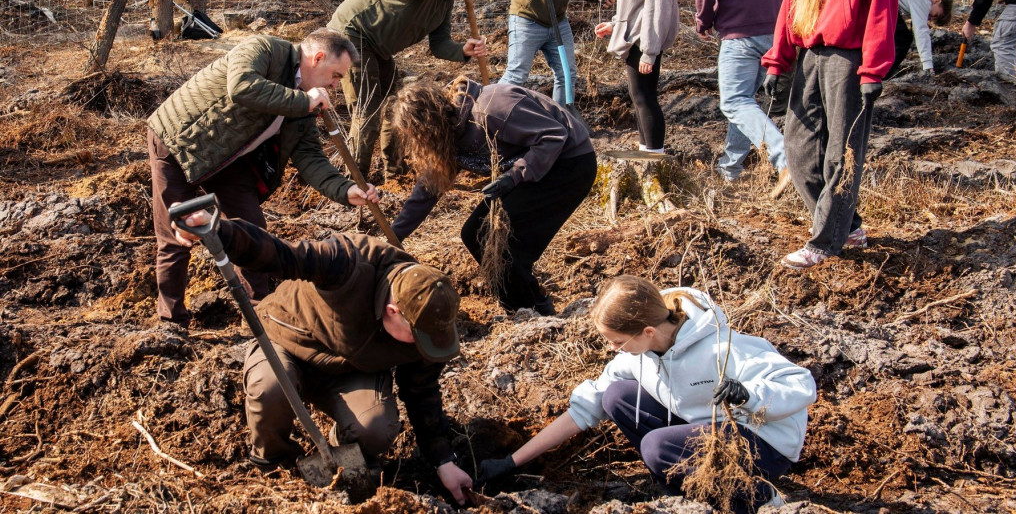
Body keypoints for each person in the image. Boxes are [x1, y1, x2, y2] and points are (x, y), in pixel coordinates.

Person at [171, 210, 474, 505]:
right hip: (287, 344)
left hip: (349, 369)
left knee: (376, 428)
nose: (422, 345)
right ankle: (275, 462)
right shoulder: (350, 261)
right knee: (270, 389)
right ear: (393, 311)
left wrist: (443, 461)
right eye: (416, 336)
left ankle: (345, 446)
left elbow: (422, 392)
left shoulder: (432, 322)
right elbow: (282, 254)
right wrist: (221, 232)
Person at [473, 276, 817, 514]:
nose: (613, 349)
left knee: (657, 448)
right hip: (705, 429)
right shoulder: (640, 354)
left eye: (617, 342)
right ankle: (682, 485)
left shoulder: (721, 347)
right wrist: (512, 462)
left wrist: (749, 395)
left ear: (648, 331)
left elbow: (802, 384)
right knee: (616, 395)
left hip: (764, 443)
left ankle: (756, 498)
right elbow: (585, 408)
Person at [147, 29, 380, 325]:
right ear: (318, 58)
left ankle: (260, 313)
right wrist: (303, 101)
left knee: (252, 231)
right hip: (179, 141)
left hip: (229, 157)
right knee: (176, 234)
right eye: (335, 75)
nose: (335, 85)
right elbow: (242, 86)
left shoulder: (305, 101)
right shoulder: (265, 50)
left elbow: (310, 157)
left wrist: (345, 190)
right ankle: (172, 322)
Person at [761, 0, 897, 270]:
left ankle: (824, 242)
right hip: (810, 54)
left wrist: (873, 69)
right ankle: (847, 224)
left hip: (849, 58)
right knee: (799, 148)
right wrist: (778, 59)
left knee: (842, 152)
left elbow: (882, 6)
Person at [390, 77, 596, 315]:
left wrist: (513, 177)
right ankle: (523, 307)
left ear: (429, 122)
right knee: (475, 234)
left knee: (505, 243)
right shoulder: (448, 135)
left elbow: (553, 136)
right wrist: (394, 235)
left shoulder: (493, 108)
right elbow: (428, 189)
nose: (418, 143)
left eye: (418, 134)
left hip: (568, 164)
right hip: (532, 170)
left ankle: (532, 310)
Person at [327, 0, 489, 178]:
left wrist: (463, 50)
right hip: (353, 36)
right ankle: (354, 183)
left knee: (395, 107)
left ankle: (394, 175)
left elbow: (439, 44)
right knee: (367, 111)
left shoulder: (445, 1)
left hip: (379, 49)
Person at [694, 0, 794, 194]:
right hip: (778, 31)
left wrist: (704, 19)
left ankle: (785, 156)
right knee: (746, 101)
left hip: (740, 31)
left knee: (735, 102)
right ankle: (730, 169)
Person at [593, 0, 686, 155]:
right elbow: (635, 1)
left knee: (645, 98)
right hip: (636, 35)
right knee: (639, 96)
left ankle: (653, 156)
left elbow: (658, 5)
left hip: (644, 39)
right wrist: (615, 25)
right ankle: (646, 152)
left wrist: (649, 51)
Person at [890, 0, 952, 77]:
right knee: (903, 39)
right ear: (937, 1)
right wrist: (927, 65)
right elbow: (921, 31)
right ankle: (883, 74)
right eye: (935, 15)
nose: (930, 18)